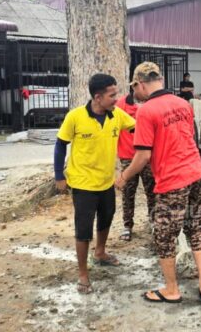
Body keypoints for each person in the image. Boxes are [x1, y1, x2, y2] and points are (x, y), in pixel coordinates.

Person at [116, 62, 201, 304]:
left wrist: (124, 177)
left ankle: (172, 290)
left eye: (134, 88)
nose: (134, 94)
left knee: (163, 235)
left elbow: (143, 156)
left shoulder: (146, 111)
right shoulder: (183, 103)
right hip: (196, 174)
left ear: (139, 84)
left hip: (173, 180)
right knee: (196, 226)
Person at [54, 73, 136, 294]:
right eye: (112, 95)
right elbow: (60, 145)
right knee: (83, 229)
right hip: (82, 184)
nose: (116, 99)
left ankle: (100, 252)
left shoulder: (117, 115)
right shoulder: (75, 117)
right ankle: (83, 274)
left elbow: (137, 128)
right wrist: (59, 176)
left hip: (106, 182)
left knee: (106, 218)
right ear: (98, 97)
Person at [116, 89, 156, 242]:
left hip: (147, 155)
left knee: (152, 191)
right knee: (127, 193)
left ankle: (153, 221)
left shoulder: (151, 105)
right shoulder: (121, 105)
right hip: (128, 156)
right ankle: (127, 225)